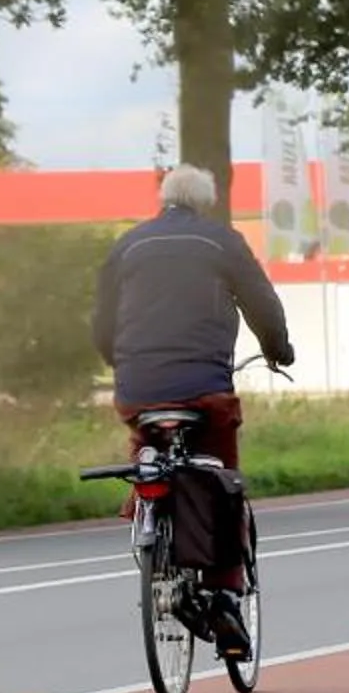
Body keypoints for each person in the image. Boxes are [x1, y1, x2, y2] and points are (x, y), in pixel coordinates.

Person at [92, 164, 297, 635]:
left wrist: (120, 361)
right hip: (203, 389)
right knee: (219, 477)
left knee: (149, 454)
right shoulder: (221, 241)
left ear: (163, 199)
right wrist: (278, 351)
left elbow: (101, 322)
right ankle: (224, 592)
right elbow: (261, 304)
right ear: (204, 202)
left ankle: (149, 522)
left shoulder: (127, 245)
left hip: (137, 388)